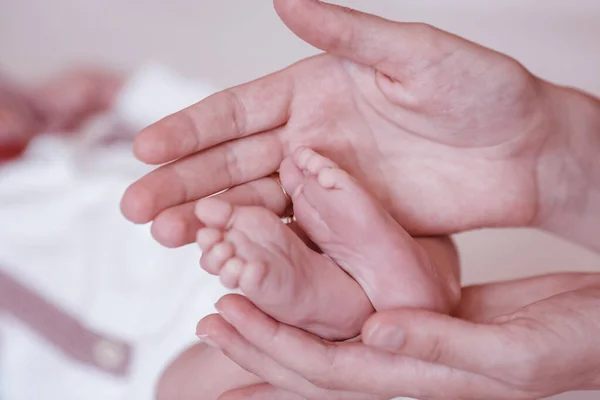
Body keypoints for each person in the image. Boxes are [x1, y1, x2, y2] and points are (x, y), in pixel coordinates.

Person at [120, 0, 600, 399]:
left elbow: (133, 95)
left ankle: (358, 298)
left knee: (409, 224)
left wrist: (91, 96)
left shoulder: (81, 132)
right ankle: (377, 290)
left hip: (227, 257)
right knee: (177, 384)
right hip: (192, 285)